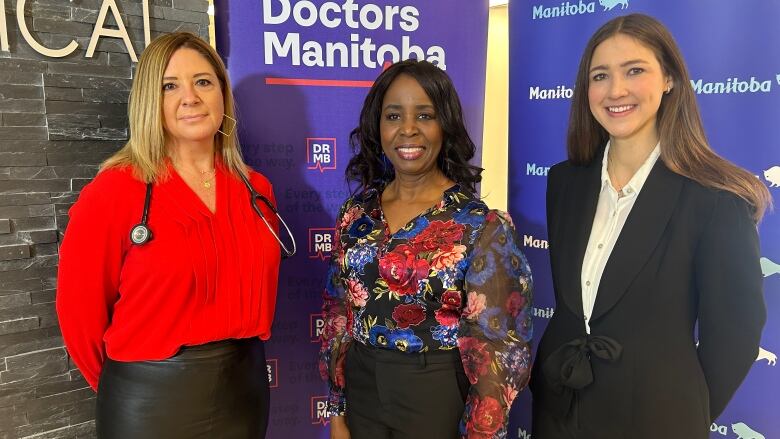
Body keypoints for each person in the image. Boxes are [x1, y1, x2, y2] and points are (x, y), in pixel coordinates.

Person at [531, 13, 770, 439]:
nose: (615, 90)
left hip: (656, 419)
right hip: (559, 412)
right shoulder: (565, 182)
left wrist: (679, 409)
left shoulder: (715, 198)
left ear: (669, 79)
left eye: (635, 70)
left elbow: (734, 336)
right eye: (600, 75)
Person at [56, 32, 289, 438]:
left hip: (243, 394)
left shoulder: (256, 190)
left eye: (203, 81)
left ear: (222, 94)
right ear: (150, 100)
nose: (190, 97)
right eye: (170, 85)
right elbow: (80, 316)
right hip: (149, 405)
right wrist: (126, 387)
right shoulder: (114, 191)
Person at [319, 59, 533, 439]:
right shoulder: (356, 214)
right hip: (362, 388)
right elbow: (339, 313)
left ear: (445, 125)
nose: (408, 129)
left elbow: (499, 353)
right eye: (393, 115)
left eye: (425, 115)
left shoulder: (480, 225)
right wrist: (337, 408)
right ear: (378, 126)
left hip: (435, 394)